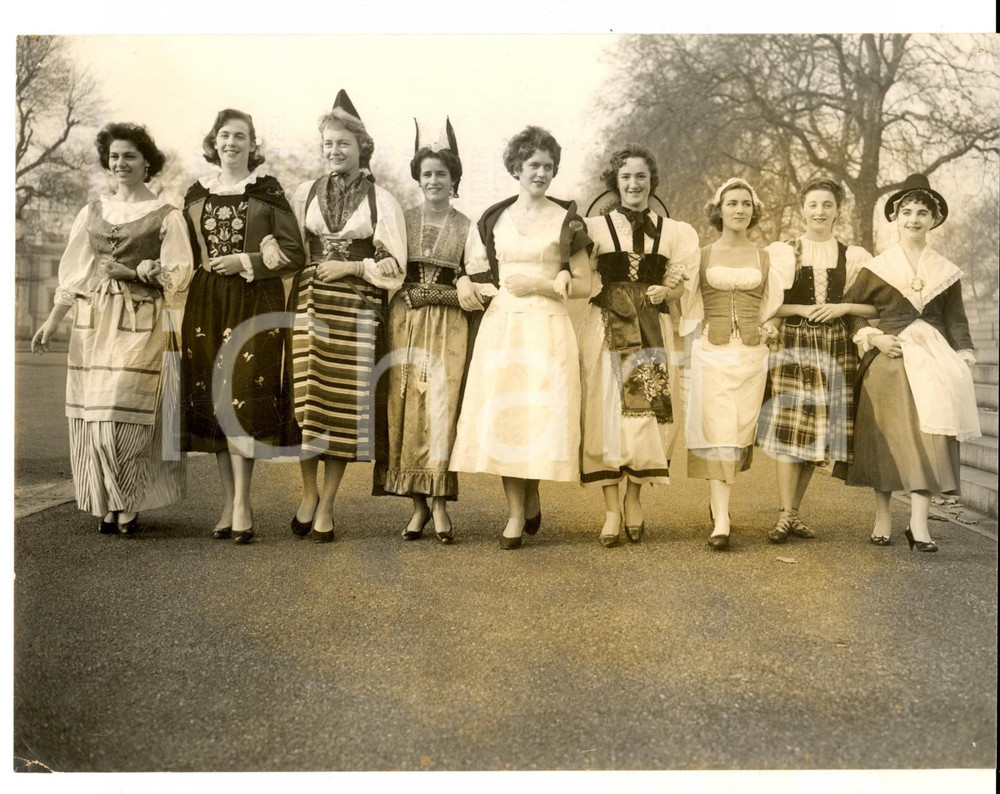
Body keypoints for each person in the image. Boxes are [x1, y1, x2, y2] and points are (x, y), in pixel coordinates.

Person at [31, 122, 193, 535]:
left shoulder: (167, 216)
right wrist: (53, 321)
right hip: (94, 323)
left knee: (128, 414)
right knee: (97, 416)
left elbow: (179, 276)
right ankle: (108, 500)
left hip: (143, 322)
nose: (121, 163)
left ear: (147, 164)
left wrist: (140, 274)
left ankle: (128, 500)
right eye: (115, 156)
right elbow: (76, 273)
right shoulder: (92, 212)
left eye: (130, 156)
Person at [449, 125, 592, 549]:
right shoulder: (494, 217)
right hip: (504, 325)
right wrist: (463, 284)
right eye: (533, 165)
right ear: (516, 168)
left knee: (538, 415)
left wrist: (546, 284)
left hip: (548, 325)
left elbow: (584, 285)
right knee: (508, 415)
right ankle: (515, 510)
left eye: (548, 166)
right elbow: (474, 272)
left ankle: (531, 492)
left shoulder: (568, 219)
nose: (541, 173)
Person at [285, 90, 407, 543]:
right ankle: (307, 494)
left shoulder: (382, 201)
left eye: (343, 144)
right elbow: (293, 250)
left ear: (362, 148)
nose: (335, 152)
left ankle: (328, 505)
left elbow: (395, 269)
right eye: (328, 145)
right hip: (312, 304)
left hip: (356, 310)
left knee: (338, 408)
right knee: (307, 401)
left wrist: (354, 266)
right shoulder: (305, 194)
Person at [180, 108, 305, 544]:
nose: (231, 142)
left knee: (242, 399)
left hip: (253, 302)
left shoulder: (268, 191)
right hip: (206, 302)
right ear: (214, 142)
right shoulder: (196, 193)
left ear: (253, 144)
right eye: (224, 135)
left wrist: (246, 261)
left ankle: (244, 503)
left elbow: (294, 254)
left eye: (241, 136)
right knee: (214, 400)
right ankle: (228, 501)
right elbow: (183, 251)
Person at [840, 174, 980, 552]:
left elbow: (955, 319)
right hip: (890, 357)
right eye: (907, 212)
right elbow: (852, 313)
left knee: (930, 435)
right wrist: (874, 337)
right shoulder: (877, 268)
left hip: (933, 358)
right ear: (895, 217)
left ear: (933, 219)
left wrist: (963, 353)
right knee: (888, 437)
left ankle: (918, 524)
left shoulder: (945, 270)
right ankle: (883, 516)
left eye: (922, 212)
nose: (914, 219)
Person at [579, 145, 698, 547]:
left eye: (641, 177)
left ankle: (634, 499)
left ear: (652, 181)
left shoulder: (674, 231)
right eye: (626, 176)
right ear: (615, 181)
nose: (634, 184)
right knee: (606, 414)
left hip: (652, 327)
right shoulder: (594, 228)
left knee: (646, 416)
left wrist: (671, 288)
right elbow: (579, 274)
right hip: (607, 327)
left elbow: (682, 283)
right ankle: (611, 508)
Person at [756, 179, 876, 543]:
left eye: (827, 204)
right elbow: (769, 305)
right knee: (791, 427)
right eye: (813, 205)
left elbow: (875, 307)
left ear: (838, 209)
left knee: (816, 433)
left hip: (835, 345)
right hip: (794, 341)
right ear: (802, 209)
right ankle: (783, 515)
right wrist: (805, 309)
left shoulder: (852, 255)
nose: (820, 212)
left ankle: (792, 514)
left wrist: (842, 307)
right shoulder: (785, 252)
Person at [374, 119, 472, 543]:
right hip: (404, 322)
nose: (434, 180)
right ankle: (417, 506)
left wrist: (438, 296)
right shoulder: (399, 220)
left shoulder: (468, 228)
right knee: (405, 406)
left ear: (454, 180)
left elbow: (480, 289)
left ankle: (439, 504)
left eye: (442, 174)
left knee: (440, 407)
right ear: (418, 178)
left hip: (448, 325)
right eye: (427, 173)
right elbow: (384, 269)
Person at [680, 178, 781, 551]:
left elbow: (775, 305)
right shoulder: (701, 256)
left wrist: (771, 324)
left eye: (746, 204)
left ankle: (719, 503)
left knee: (738, 432)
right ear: (719, 210)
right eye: (732, 203)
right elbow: (686, 305)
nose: (739, 210)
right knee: (717, 428)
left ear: (753, 212)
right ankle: (721, 518)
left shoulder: (767, 257)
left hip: (753, 355)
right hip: (712, 351)